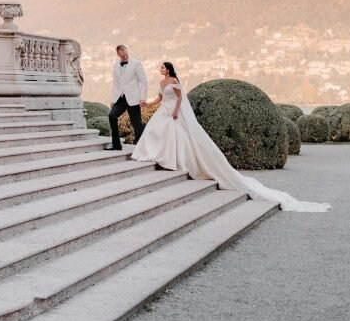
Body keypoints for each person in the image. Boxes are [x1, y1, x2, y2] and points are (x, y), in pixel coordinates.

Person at [130, 62, 330, 213]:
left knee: (177, 137)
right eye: (160, 68)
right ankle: (159, 156)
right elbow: (160, 98)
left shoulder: (174, 82)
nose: (161, 70)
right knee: (158, 133)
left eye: (163, 67)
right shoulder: (161, 83)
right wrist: (148, 103)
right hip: (163, 110)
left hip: (173, 112)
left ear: (169, 69)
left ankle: (175, 160)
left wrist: (175, 111)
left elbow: (180, 98)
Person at [104, 44, 147, 151]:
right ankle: (116, 145)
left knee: (136, 123)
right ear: (118, 55)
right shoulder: (116, 65)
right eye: (122, 56)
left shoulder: (136, 64)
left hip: (133, 97)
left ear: (127, 52)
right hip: (121, 97)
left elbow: (143, 81)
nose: (124, 57)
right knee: (112, 115)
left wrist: (143, 98)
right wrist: (113, 100)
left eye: (125, 55)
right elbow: (115, 83)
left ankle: (142, 148)